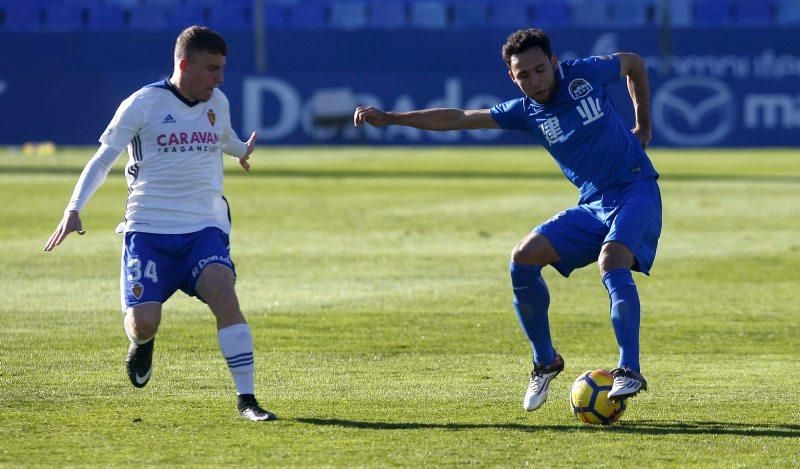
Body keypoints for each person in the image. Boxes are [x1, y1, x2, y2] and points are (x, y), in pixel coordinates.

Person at [353, 28, 660, 411]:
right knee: (524, 257)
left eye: (539, 70)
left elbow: (633, 63)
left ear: (552, 63)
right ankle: (545, 361)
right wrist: (393, 118)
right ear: (511, 78)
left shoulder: (586, 74)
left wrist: (643, 124)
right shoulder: (525, 112)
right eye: (524, 75)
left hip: (635, 188)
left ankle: (629, 369)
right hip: (593, 202)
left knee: (611, 260)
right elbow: (460, 117)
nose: (534, 81)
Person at [44, 26, 276, 421]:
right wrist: (73, 208)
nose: (219, 79)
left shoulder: (216, 100)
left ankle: (247, 401)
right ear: (184, 64)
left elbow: (224, 136)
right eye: (212, 69)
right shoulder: (142, 104)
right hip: (148, 232)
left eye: (222, 69)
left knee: (224, 294)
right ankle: (143, 341)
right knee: (142, 322)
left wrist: (241, 150)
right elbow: (102, 160)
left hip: (204, 228)